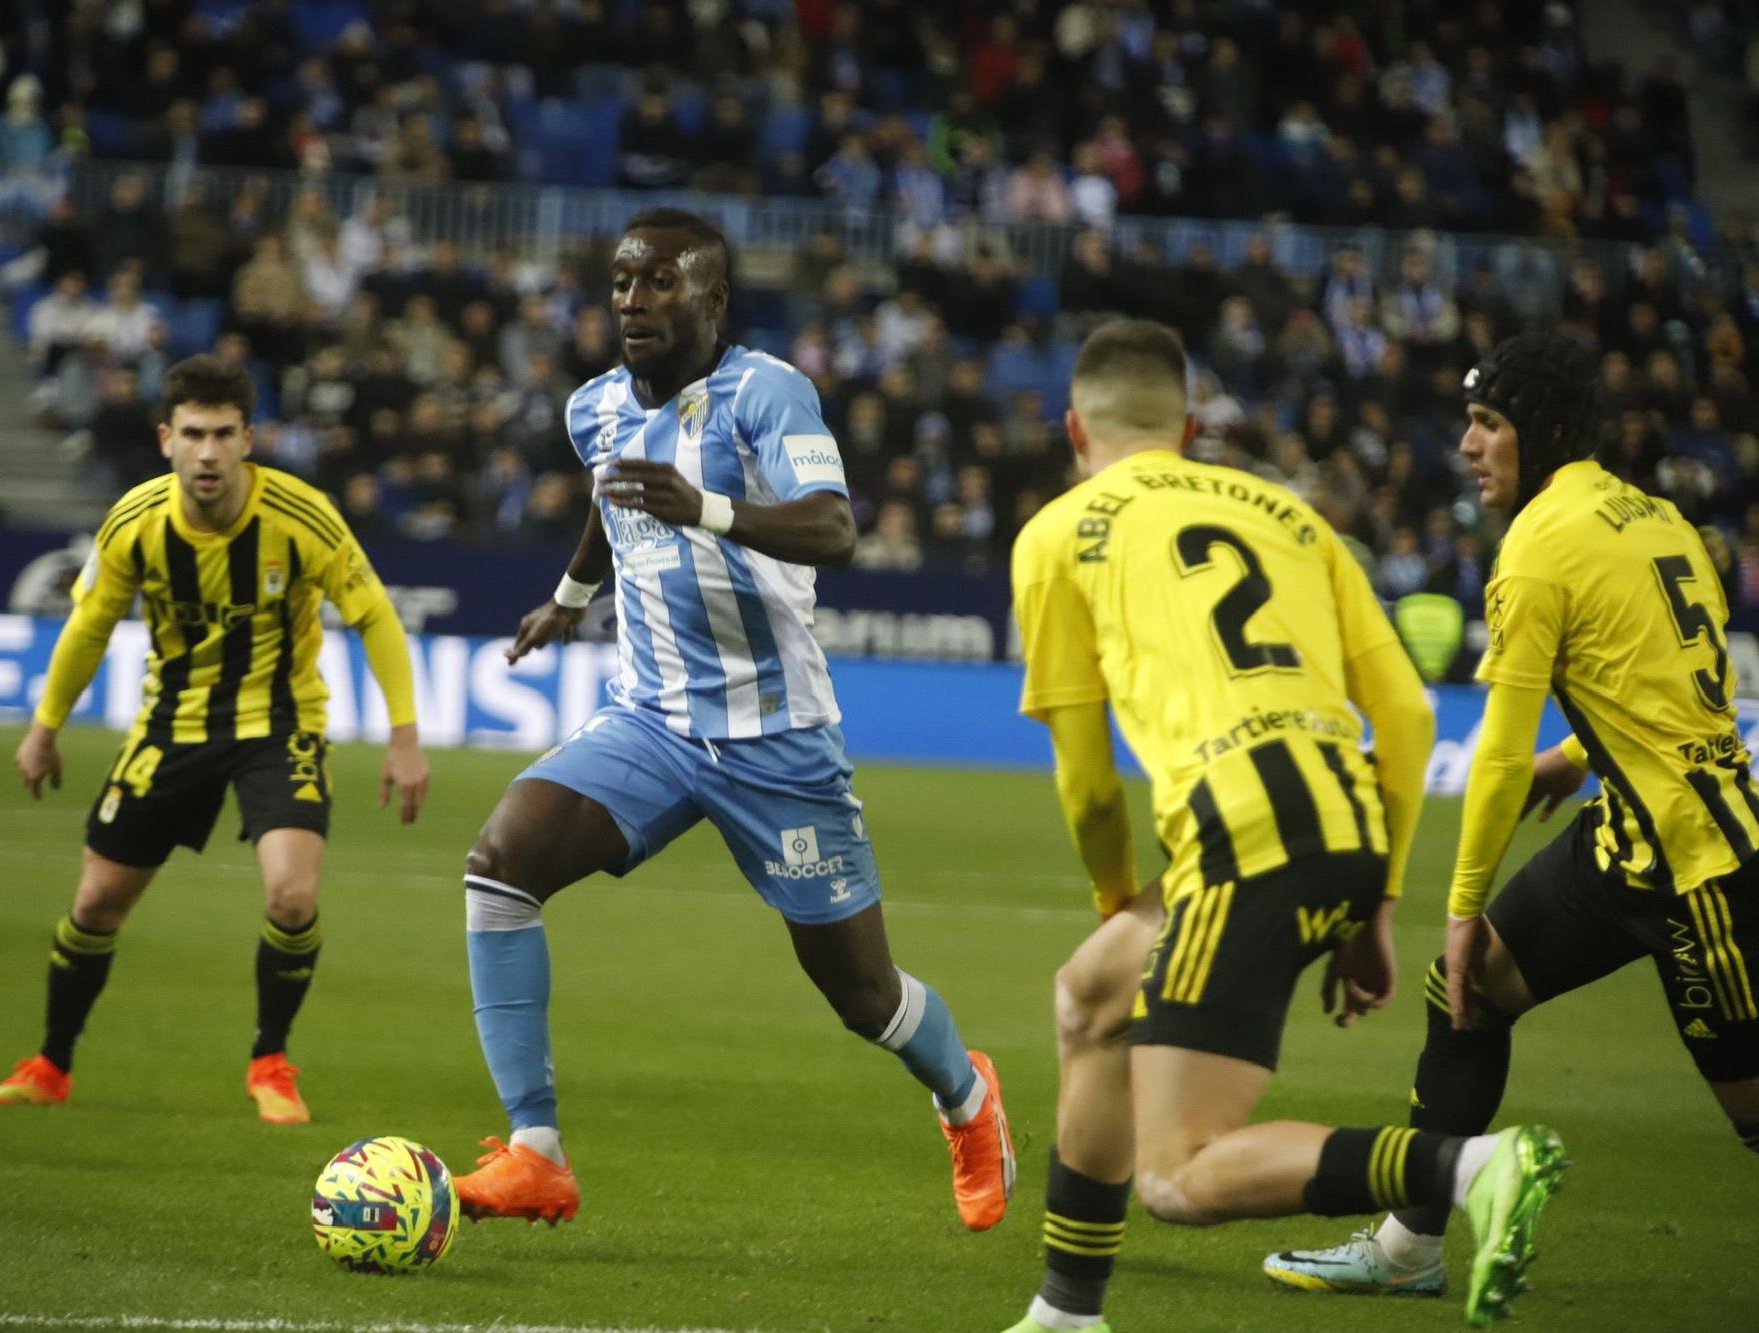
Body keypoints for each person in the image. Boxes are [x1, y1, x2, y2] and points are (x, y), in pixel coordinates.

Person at [449, 208, 1014, 1230]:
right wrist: (570, 600)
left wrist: (702, 507)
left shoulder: (765, 393)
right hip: (651, 722)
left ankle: (967, 1099)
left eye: (659, 282)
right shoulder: (594, 409)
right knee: (499, 864)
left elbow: (835, 527)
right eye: (621, 282)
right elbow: (608, 500)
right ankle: (536, 1149)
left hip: (775, 742)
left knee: (861, 994)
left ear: (711, 301)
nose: (632, 300)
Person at [1001, 320, 1565, 1333]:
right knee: (1091, 995)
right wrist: (1377, 900)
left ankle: (1469, 1164)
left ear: (1074, 431)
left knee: (1177, 1172)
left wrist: (1115, 899)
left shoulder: (1057, 532)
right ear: (1182, 425)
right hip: (1333, 813)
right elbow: (1400, 715)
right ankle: (1064, 1314)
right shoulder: (1289, 515)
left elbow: (1086, 784)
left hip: (1239, 833)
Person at [1265, 333, 1759, 1296]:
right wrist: (1576, 757)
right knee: (1471, 994)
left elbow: (1491, 748)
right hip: (1627, 841)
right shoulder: (1656, 516)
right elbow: (1700, 685)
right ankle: (1409, 1247)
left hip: (1702, 869)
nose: (1466, 445)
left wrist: (1459, 905)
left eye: (1488, 423)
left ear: (1545, 430)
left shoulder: (1539, 542)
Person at [0, 355, 429, 1122]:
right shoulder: (135, 523)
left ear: (249, 437)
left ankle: (271, 1063)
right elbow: (87, 626)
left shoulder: (302, 515)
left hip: (279, 720)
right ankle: (50, 1065)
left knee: (292, 895)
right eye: (193, 433)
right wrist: (43, 729)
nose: (209, 451)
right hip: (172, 724)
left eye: (224, 433)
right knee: (95, 904)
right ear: (166, 439)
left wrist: (405, 736)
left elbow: (376, 613)